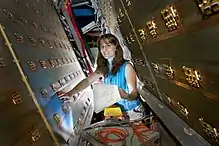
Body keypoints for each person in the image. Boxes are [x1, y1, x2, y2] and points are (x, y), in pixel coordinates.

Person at [59, 33, 145, 121]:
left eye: (108, 45)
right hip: (117, 113)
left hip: (133, 112)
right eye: (102, 47)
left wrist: (126, 96)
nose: (105, 49)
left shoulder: (127, 66)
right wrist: (70, 93)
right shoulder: (104, 67)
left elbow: (134, 94)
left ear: (116, 47)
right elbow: (87, 81)